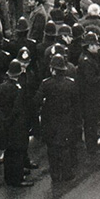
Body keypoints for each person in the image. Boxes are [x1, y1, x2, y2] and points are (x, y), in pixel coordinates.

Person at [35, 55, 78, 183]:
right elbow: (76, 103)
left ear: (52, 69)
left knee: (52, 148)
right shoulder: (70, 83)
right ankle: (66, 174)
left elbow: (37, 100)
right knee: (65, 147)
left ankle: (55, 174)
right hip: (66, 119)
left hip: (49, 121)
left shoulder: (45, 83)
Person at [0, 60, 34, 187]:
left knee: (9, 151)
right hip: (17, 123)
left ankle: (9, 176)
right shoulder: (18, 88)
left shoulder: (2, 86)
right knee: (18, 150)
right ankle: (18, 177)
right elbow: (18, 108)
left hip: (6, 122)